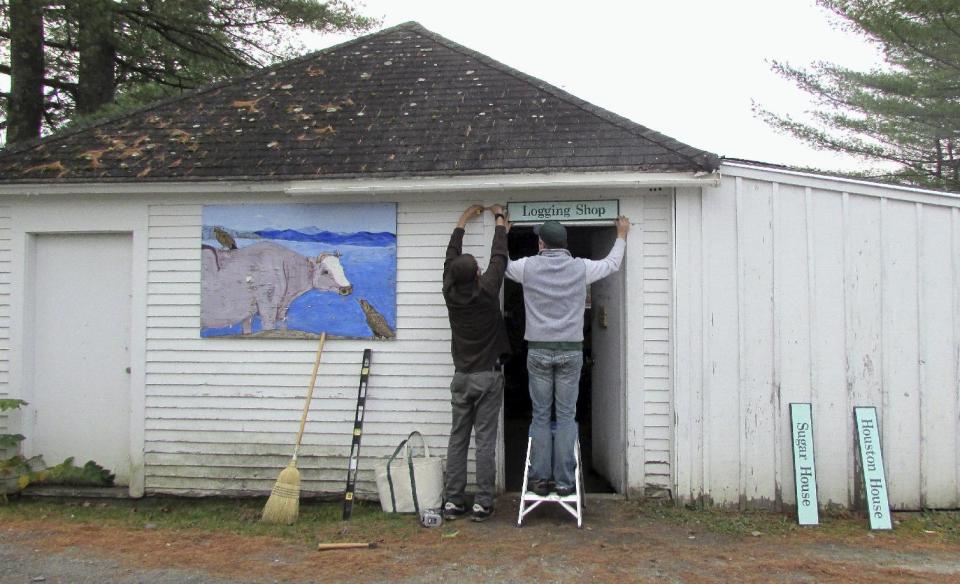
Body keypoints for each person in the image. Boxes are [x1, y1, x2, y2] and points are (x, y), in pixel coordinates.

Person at [505, 216, 630, 497]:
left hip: (537, 349)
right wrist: (621, 234)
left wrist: (502, 232)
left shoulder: (528, 266)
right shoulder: (580, 268)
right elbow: (612, 264)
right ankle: (563, 482)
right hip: (570, 351)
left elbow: (502, 264)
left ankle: (539, 480)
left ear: (541, 243)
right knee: (564, 416)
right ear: (564, 244)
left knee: (539, 415)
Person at [441, 203, 511, 522]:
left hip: (462, 378)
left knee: (458, 439)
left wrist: (463, 220)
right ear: (478, 274)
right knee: (484, 441)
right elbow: (500, 257)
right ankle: (482, 502)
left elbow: (450, 257)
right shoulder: (487, 291)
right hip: (488, 377)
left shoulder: (450, 293)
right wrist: (499, 220)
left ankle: (453, 501)